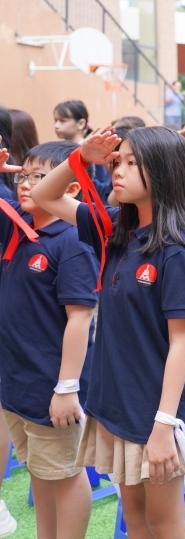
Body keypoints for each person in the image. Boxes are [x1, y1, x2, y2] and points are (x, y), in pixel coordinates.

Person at [30, 126, 185, 538]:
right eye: (119, 161)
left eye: (133, 163)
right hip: (117, 401)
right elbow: (44, 197)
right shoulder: (114, 228)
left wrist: (164, 425)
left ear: (164, 173)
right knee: (134, 514)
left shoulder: (177, 249)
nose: (119, 171)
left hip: (156, 411)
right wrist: (82, 155)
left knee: (164, 521)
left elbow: (182, 342)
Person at [0, 140, 97, 539]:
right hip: (17, 380)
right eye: (23, 176)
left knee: (66, 473)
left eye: (39, 177)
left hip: (51, 384)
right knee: (39, 470)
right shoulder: (18, 230)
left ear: (69, 189)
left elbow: (80, 318)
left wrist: (67, 387)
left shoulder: (71, 239)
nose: (26, 185)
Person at [52, 101, 112, 206]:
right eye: (55, 120)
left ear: (81, 123)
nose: (56, 125)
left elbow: (100, 186)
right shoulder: (55, 148)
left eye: (63, 121)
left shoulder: (93, 151)